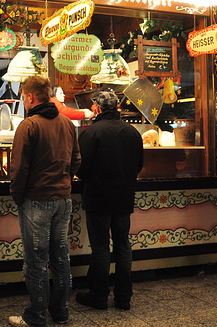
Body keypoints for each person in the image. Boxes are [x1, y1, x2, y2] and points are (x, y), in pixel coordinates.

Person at [8, 76, 81, 327]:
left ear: (29, 97)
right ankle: (60, 312)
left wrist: (18, 197)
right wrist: (64, 180)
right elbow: (76, 160)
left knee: (36, 261)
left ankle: (36, 316)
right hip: (63, 199)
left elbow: (18, 168)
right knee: (60, 257)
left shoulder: (28, 126)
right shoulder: (67, 123)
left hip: (36, 200)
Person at [74, 89, 143, 311]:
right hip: (123, 197)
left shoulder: (91, 132)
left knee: (101, 247)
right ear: (117, 108)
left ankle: (99, 295)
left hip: (98, 197)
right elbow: (139, 165)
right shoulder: (132, 132)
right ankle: (124, 297)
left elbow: (81, 169)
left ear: (98, 108)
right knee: (123, 245)